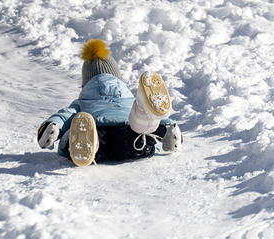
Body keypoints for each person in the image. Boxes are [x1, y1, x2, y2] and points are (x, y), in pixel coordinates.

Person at [37, 39, 183, 166]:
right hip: (125, 129)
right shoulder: (129, 99)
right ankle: (150, 131)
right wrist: (167, 127)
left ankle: (91, 143)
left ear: (85, 83)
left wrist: (52, 127)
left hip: (95, 127)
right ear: (118, 79)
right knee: (138, 132)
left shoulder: (81, 103)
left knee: (92, 141)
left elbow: (65, 116)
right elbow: (155, 113)